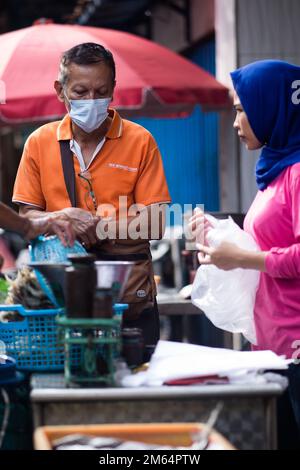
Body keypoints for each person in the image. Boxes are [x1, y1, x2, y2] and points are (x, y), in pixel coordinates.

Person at [12, 42, 171, 361]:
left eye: (100, 91)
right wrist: (65, 220)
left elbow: (155, 222)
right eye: (81, 91)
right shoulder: (39, 143)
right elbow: (27, 216)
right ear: (61, 90)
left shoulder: (140, 141)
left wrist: (99, 229)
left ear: (114, 88)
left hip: (130, 305)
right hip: (61, 307)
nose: (91, 101)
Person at [190, 60, 300, 449]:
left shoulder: (298, 172)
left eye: (241, 108)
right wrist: (218, 236)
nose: (236, 122)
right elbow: (269, 244)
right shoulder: (276, 171)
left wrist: (241, 259)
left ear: (272, 105)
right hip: (272, 345)